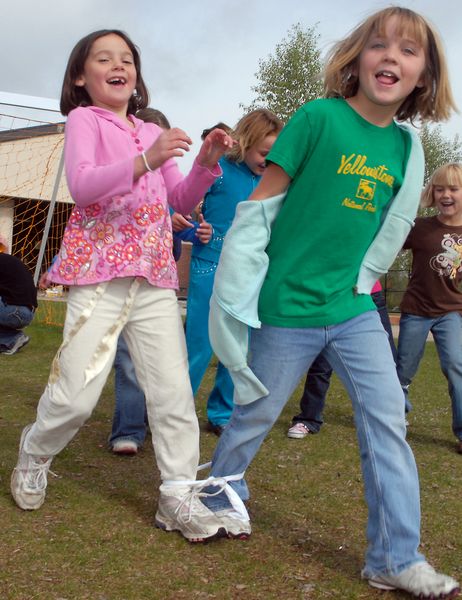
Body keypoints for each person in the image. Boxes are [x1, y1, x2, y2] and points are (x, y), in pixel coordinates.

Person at [202, 7, 461, 597]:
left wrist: (364, 279)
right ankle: (218, 496)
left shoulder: (404, 146)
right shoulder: (317, 118)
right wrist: (236, 292)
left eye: (408, 50)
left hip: (353, 310)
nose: (391, 56)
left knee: (389, 419)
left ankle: (394, 557)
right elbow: (257, 212)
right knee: (255, 413)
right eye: (379, 45)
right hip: (285, 308)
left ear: (424, 75)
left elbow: (392, 227)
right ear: (357, 58)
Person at [10, 28, 237, 543]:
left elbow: (178, 201)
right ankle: (36, 451)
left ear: (137, 74)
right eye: (104, 58)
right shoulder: (83, 120)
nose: (119, 66)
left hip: (155, 277)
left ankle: (177, 493)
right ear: (80, 76)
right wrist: (149, 159)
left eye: (127, 59)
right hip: (99, 276)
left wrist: (203, 165)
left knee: (174, 392)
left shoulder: (147, 130)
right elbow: (85, 185)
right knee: (74, 398)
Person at [109, 107, 213, 455]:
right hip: (123, 278)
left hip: (158, 284)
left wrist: (186, 229)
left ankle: (162, 427)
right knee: (126, 358)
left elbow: (175, 250)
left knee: (166, 361)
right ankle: (128, 429)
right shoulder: (124, 178)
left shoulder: (171, 189)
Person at [185, 109, 283, 436]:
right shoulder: (219, 172)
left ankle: (222, 413)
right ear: (246, 143)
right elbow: (180, 203)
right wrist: (193, 227)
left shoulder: (274, 181)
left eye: (275, 156)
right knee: (199, 343)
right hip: (209, 267)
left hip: (249, 275)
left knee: (239, 347)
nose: (268, 162)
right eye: (264, 154)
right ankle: (175, 411)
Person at [397, 162, 462, 456]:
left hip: (452, 312)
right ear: (432, 193)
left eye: (453, 189)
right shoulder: (421, 229)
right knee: (403, 371)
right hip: (416, 310)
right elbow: (388, 240)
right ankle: (396, 420)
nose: (446, 194)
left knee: (456, 367)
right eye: (440, 189)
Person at [288, 281, 397, 438]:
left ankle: (390, 419)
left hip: (369, 294)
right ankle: (309, 418)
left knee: (387, 361)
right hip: (336, 296)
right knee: (321, 364)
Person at [0, 239, 37, 355]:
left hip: (17, 311)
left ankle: (12, 338)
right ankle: (12, 339)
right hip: (25, 311)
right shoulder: (8, 261)